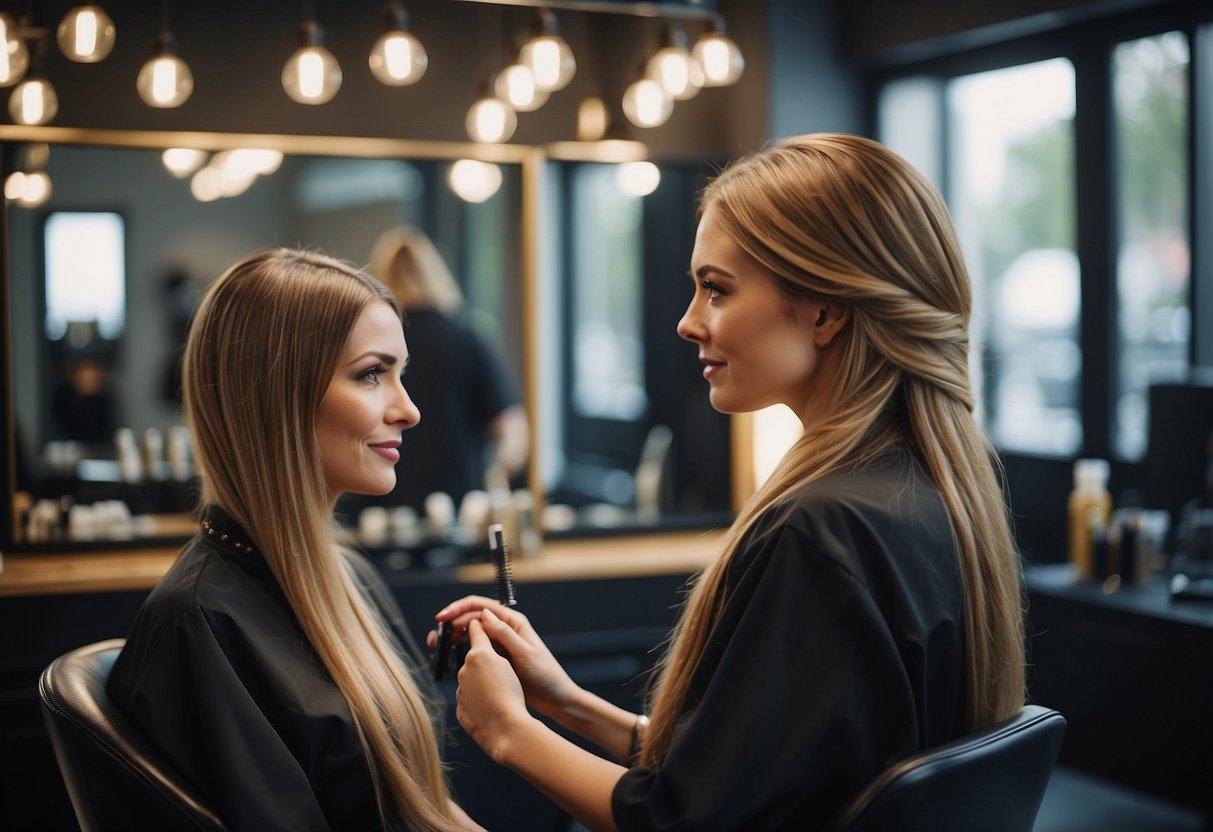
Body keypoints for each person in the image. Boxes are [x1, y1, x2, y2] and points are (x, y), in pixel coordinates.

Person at [434, 134, 1027, 830]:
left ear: (825, 310)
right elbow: (762, 781)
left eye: (715, 289)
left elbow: (685, 822)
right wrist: (565, 703)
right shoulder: (931, 496)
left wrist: (508, 730)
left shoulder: (820, 530)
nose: (688, 322)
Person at [107, 248, 482, 831]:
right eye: (370, 375)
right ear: (276, 395)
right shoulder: (201, 624)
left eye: (399, 374)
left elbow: (420, 803)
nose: (407, 409)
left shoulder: (346, 574)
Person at [356, 226, 528, 515]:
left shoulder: (368, 345)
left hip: (379, 513)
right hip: (457, 510)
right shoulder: (467, 340)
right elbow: (514, 435)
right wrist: (491, 481)